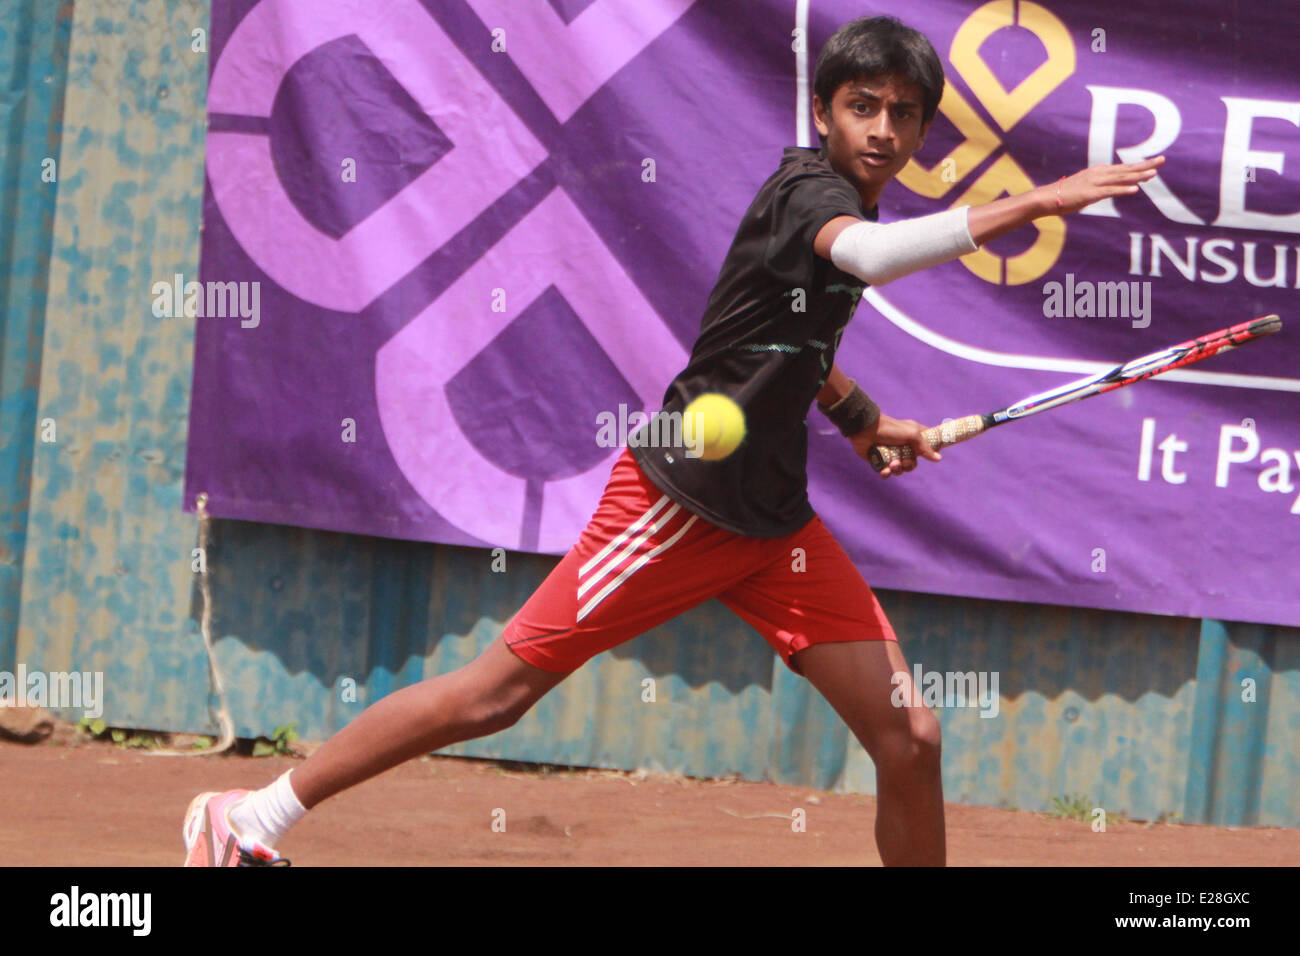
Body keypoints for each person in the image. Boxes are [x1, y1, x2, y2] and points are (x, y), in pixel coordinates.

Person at [182, 14, 1162, 867]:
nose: (884, 129)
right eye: (864, 105)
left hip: (772, 521)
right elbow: (866, 258)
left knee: (910, 733)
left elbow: (784, 341)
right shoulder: (809, 198)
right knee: (494, 697)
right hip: (678, 504)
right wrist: (1036, 200)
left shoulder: (844, 203)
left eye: (904, 113)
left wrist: (864, 422)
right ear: (824, 113)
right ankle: (248, 812)